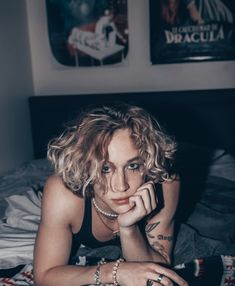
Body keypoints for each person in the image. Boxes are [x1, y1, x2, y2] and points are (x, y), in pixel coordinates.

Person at [33, 103, 188, 286]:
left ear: (147, 162)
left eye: (133, 166)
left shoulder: (165, 182)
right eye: (105, 168)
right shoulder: (62, 193)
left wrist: (128, 228)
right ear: (84, 166)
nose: (121, 185)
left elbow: (157, 269)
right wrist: (114, 272)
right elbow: (44, 277)